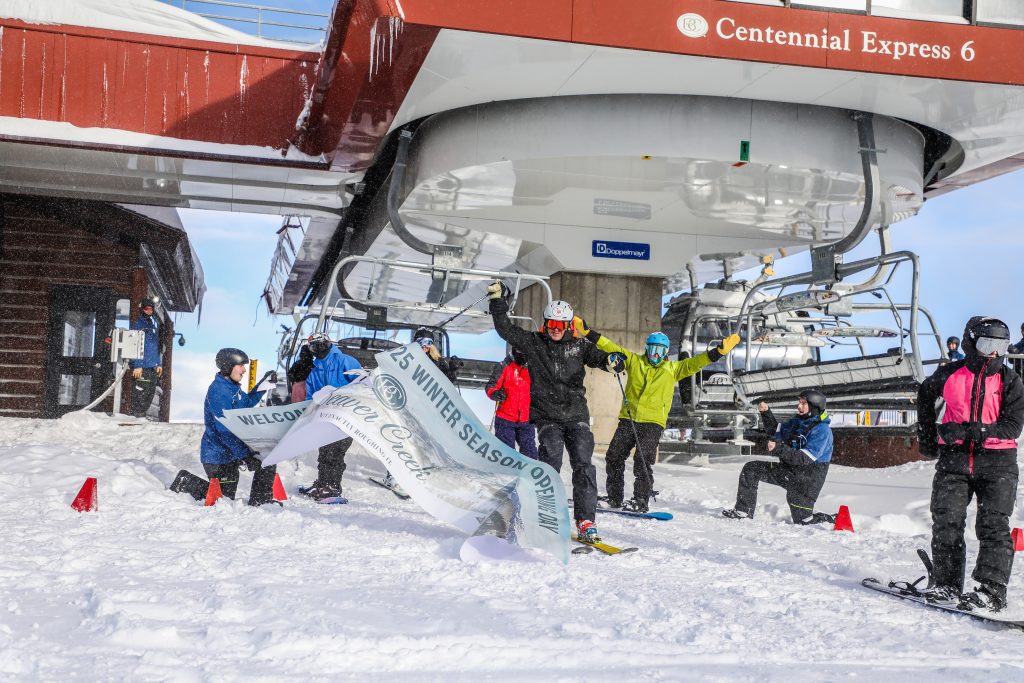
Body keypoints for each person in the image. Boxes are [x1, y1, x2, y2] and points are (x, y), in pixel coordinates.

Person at [486, 281, 611, 543]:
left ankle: (586, 520)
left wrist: (611, 361)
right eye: (550, 325)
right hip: (547, 415)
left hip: (576, 414)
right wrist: (497, 300)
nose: (555, 330)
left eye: (560, 325)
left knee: (583, 464)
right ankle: (545, 514)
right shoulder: (534, 343)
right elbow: (505, 329)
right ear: (545, 324)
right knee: (550, 461)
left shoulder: (579, 346)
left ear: (568, 326)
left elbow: (600, 358)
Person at [917, 316, 1024, 612]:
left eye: (1000, 346)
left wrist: (975, 430)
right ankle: (947, 584)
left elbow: (1013, 426)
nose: (993, 353)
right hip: (955, 462)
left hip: (998, 464)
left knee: (993, 525)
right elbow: (925, 395)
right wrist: (927, 437)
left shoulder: (1010, 380)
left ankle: (991, 590)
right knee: (947, 521)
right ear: (970, 343)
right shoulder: (949, 374)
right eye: (987, 344)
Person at [579, 324, 741, 512]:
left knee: (643, 460)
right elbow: (610, 346)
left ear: (665, 352)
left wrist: (718, 351)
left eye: (660, 351)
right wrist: (587, 332)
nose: (655, 355)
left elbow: (698, 362)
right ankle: (615, 498)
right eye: (652, 349)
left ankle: (640, 500)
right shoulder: (634, 361)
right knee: (614, 457)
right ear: (647, 349)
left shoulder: (674, 369)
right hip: (629, 420)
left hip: (652, 424)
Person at [169, 348, 278, 506]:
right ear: (228, 367)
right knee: (222, 500)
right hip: (218, 457)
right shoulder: (219, 392)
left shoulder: (232, 388)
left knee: (228, 496)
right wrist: (246, 455)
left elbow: (246, 403)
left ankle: (261, 501)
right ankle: (185, 482)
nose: (244, 370)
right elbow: (224, 431)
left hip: (229, 454)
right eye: (240, 366)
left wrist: (263, 384)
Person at [722, 389, 836, 525]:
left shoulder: (822, 431)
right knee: (751, 469)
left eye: (803, 403)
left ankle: (832, 519)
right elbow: (774, 431)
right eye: (799, 402)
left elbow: (803, 458)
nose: (799, 406)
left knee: (804, 522)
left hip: (806, 482)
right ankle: (743, 511)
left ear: (814, 407)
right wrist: (766, 412)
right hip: (789, 473)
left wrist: (778, 448)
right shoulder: (797, 423)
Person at [380, 328, 465, 493]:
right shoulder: (407, 357)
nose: (426, 346)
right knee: (402, 440)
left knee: (423, 443)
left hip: (427, 409)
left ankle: (419, 475)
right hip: (407, 406)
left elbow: (446, 384)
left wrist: (452, 370)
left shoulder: (437, 361)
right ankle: (393, 475)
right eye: (422, 342)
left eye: (429, 343)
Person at [300, 332, 363, 501]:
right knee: (325, 451)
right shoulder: (315, 370)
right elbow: (310, 395)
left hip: (345, 417)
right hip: (325, 418)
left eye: (321, 345)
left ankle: (333, 487)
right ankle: (322, 483)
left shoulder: (345, 361)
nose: (318, 349)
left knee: (336, 452)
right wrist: (308, 413)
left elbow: (362, 383)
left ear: (328, 344)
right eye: (314, 347)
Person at [485, 349, 536, 459]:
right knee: (506, 454)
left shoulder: (533, 368)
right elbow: (491, 387)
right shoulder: (504, 366)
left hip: (526, 419)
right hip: (505, 418)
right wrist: (496, 393)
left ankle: (528, 475)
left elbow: (539, 391)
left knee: (530, 454)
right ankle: (505, 474)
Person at [130, 297, 163, 417]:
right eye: (147, 309)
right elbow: (136, 345)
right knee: (141, 392)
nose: (149, 311)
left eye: (151, 309)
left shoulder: (151, 325)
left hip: (151, 366)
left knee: (150, 392)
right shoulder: (138, 324)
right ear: (142, 309)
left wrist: (158, 364)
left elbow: (154, 347)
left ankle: (141, 415)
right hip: (142, 366)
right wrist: (137, 365)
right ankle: (137, 415)